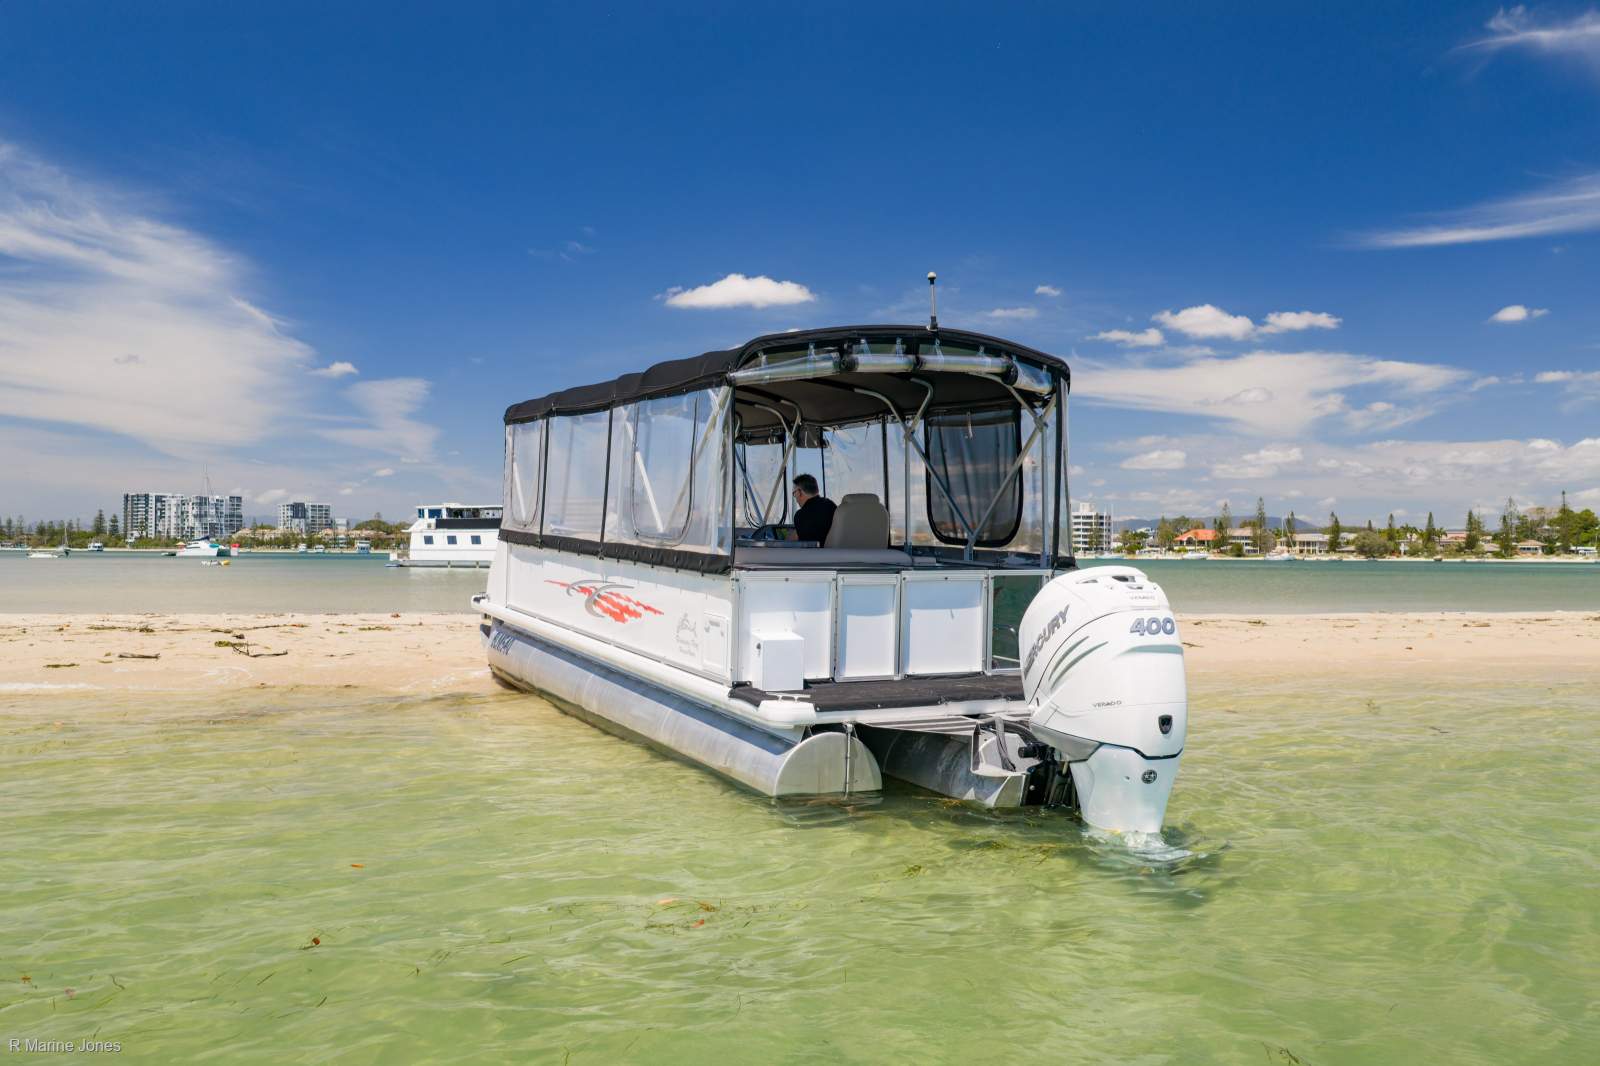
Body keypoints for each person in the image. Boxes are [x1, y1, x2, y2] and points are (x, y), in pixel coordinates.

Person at [791, 474, 836, 544]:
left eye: (794, 493)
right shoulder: (831, 505)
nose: (795, 498)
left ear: (800, 492)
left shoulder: (801, 515)